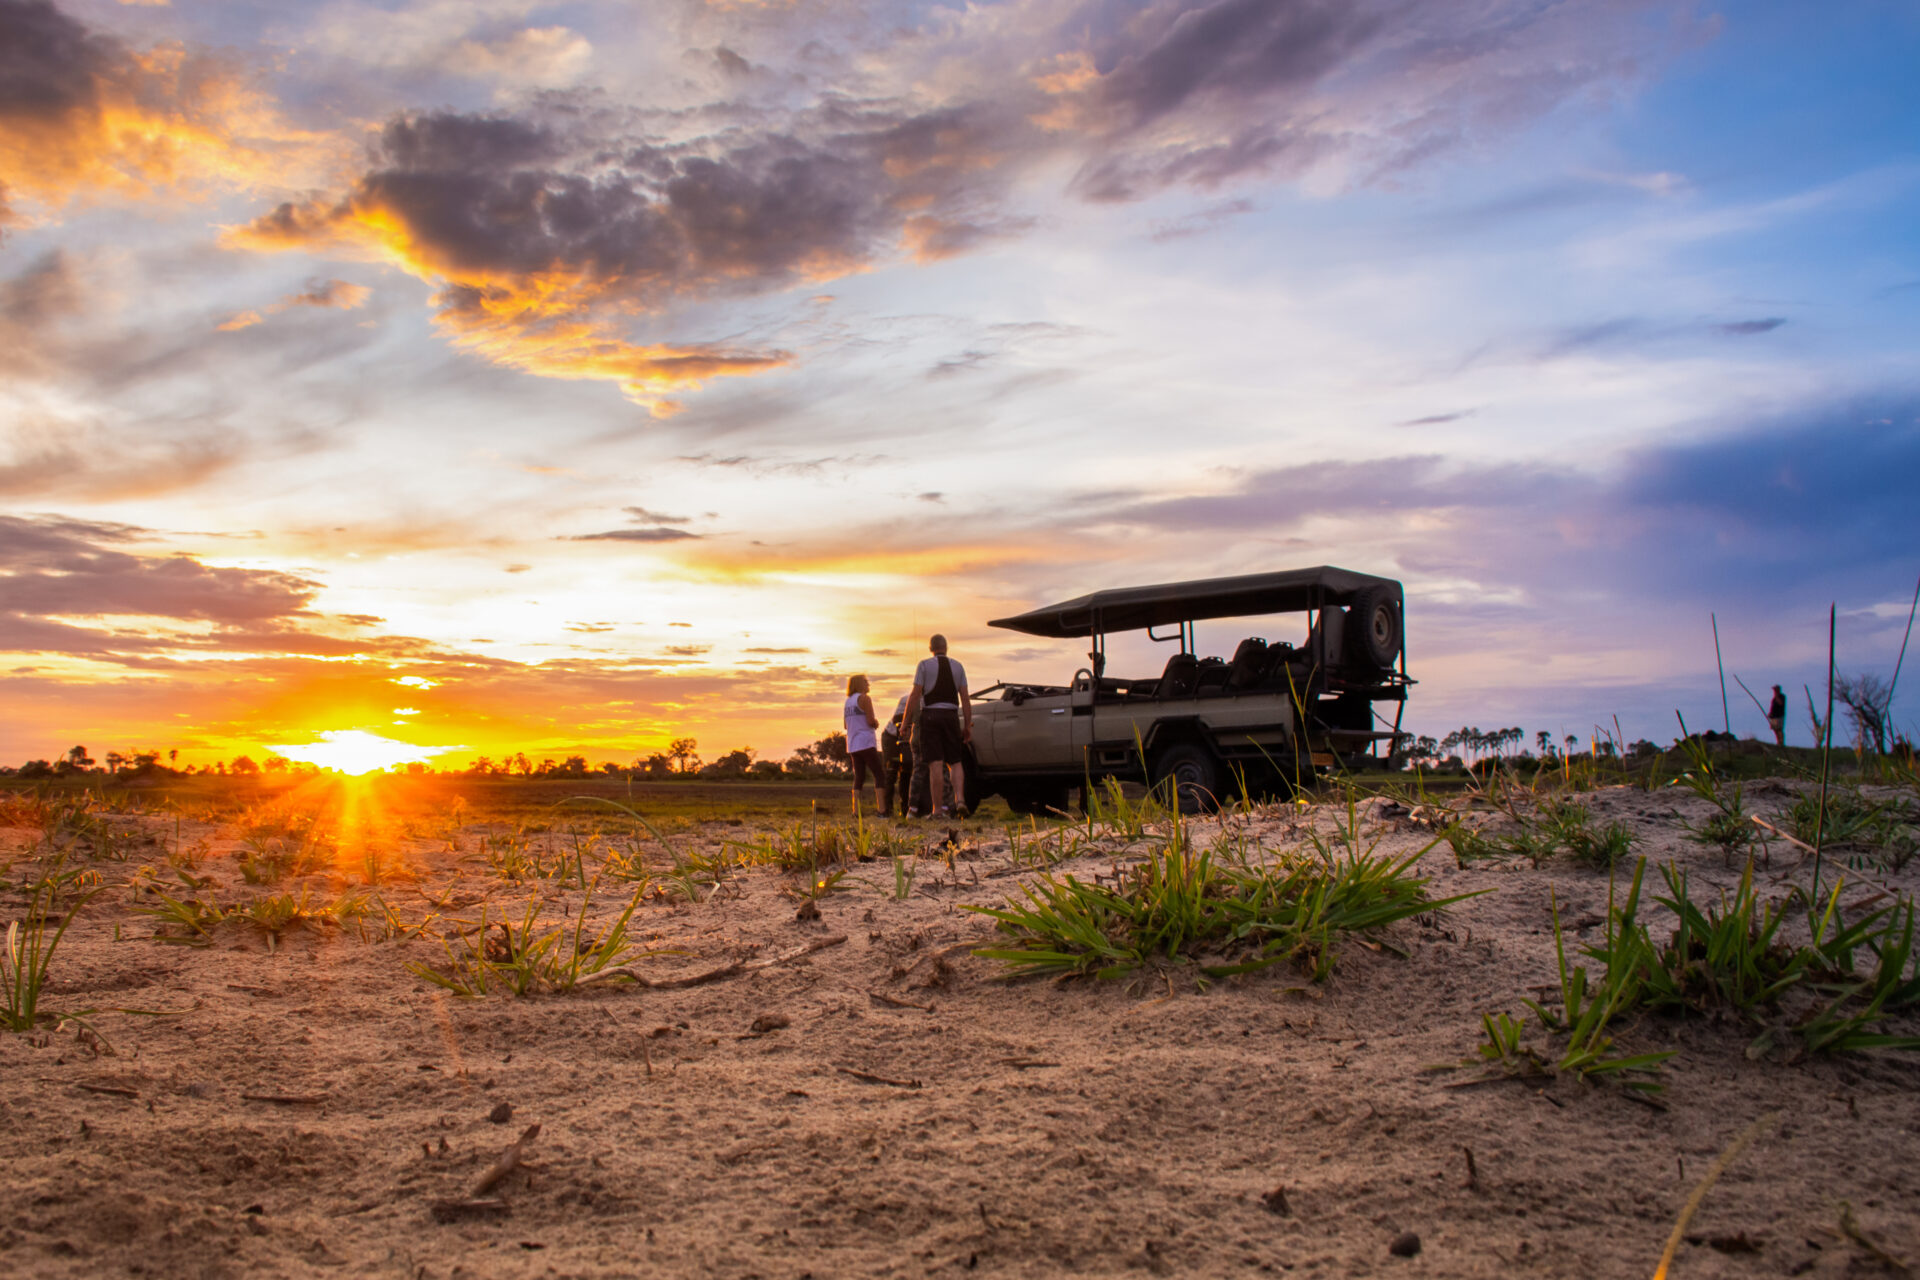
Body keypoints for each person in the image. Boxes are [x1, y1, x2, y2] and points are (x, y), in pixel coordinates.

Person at [904, 634, 971, 818]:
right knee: (955, 761)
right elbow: (965, 698)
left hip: (931, 716)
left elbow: (915, 694)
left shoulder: (924, 665)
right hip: (951, 716)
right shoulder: (958, 666)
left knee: (936, 764)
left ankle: (937, 810)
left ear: (930, 648)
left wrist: (905, 723)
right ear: (946, 647)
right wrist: (967, 725)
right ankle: (960, 800)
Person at [843, 674, 885, 816]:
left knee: (859, 776)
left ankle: (856, 811)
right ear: (859, 684)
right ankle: (882, 810)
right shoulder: (865, 699)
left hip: (853, 743)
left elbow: (845, 725)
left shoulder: (848, 702)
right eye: (866, 682)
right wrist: (876, 723)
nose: (868, 684)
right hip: (866, 741)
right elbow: (870, 721)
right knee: (878, 774)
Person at [881, 694, 916, 818]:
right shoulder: (907, 699)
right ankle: (887, 810)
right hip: (891, 737)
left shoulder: (928, 699)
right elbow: (898, 719)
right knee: (891, 771)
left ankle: (905, 809)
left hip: (907, 738)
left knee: (906, 772)